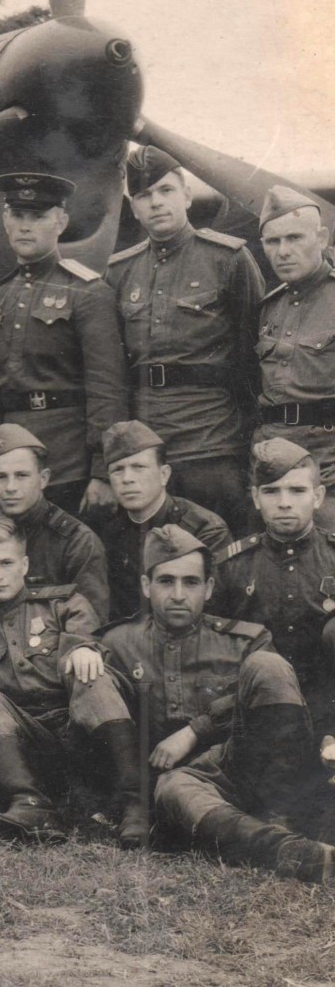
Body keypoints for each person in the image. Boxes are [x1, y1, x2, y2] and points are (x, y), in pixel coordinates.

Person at [104, 525, 333, 882]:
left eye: (191, 582)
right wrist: (80, 649)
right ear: (146, 587)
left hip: (246, 764)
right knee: (173, 788)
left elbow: (278, 694)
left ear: (209, 588)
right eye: (166, 581)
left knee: (269, 667)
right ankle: (287, 851)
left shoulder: (246, 641)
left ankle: (281, 816)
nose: (178, 594)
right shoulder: (118, 644)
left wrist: (197, 729)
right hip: (190, 784)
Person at [0, 516, 148, 846]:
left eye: (6, 563)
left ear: (24, 564)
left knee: (90, 672)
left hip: (87, 735)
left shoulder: (62, 605)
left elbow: (88, 637)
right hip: (30, 747)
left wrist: (86, 649)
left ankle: (136, 802)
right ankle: (30, 805)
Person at [106, 146, 263, 527]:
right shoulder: (119, 272)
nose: (155, 203)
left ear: (187, 196)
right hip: (147, 444)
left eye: (165, 191)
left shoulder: (228, 259)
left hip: (211, 440)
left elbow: (255, 356)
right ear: (133, 207)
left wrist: (248, 437)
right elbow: (113, 368)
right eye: (143, 195)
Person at [0, 173, 126, 515]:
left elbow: (108, 389)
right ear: (5, 220)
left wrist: (103, 471)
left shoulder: (88, 293)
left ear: (61, 222)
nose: (25, 227)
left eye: (39, 216)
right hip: (10, 465)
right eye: (18, 215)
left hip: (67, 461)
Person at [216, 439, 335, 761]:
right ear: (255, 498)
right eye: (271, 491)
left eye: (297, 491)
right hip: (261, 712)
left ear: (318, 497)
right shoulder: (231, 566)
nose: (284, 503)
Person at [255, 184, 335, 529]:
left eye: (294, 238)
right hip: (272, 468)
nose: (283, 251)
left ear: (321, 237)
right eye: (273, 242)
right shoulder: (270, 306)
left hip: (327, 468)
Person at [96, 421, 230, 622]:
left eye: (138, 467)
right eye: (117, 470)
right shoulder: (109, 532)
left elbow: (214, 605)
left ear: (164, 474)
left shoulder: (205, 528)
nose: (127, 478)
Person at [0, 423, 108, 621]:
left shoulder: (77, 541)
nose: (10, 487)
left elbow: (90, 624)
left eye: (21, 475)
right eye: (0, 477)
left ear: (43, 479)